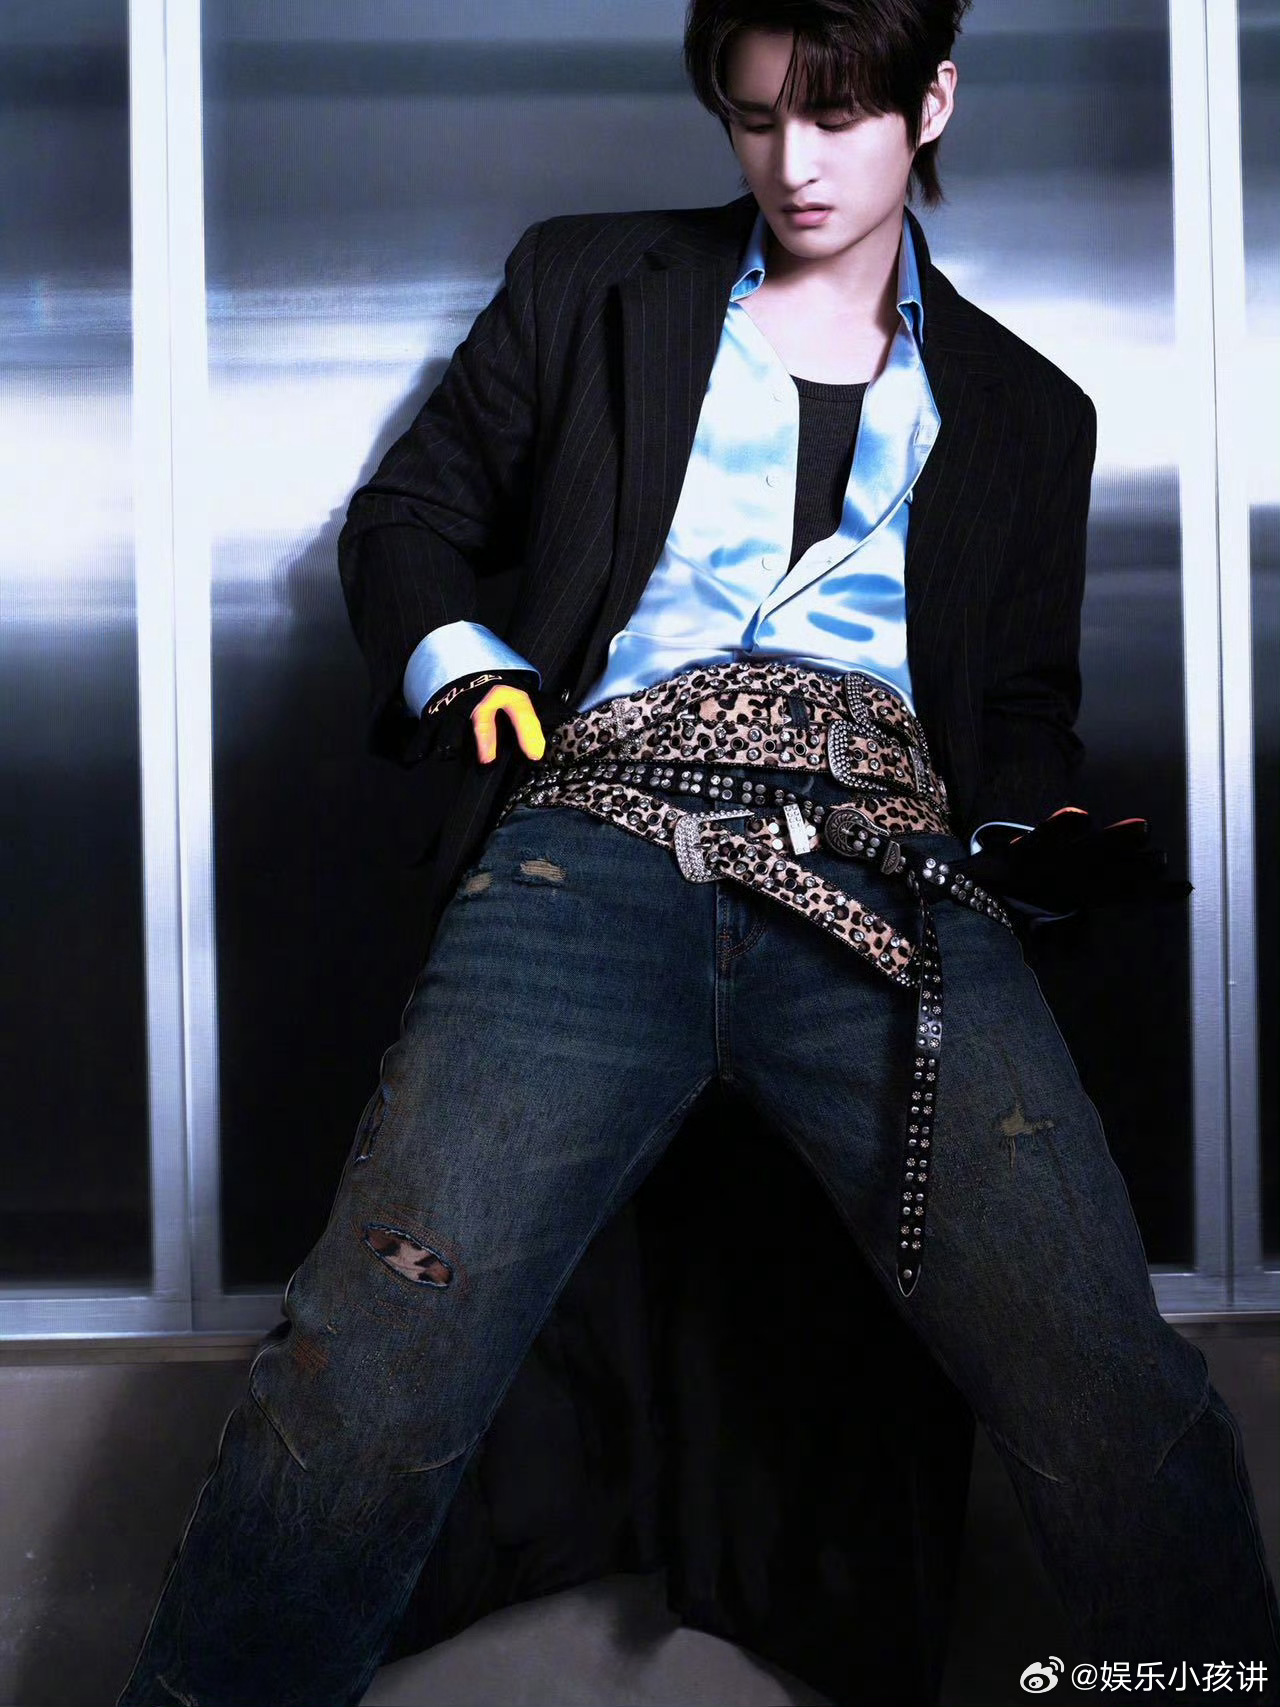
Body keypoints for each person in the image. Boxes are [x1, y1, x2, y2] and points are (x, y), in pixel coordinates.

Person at [117, 2, 1280, 1703]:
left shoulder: (1032, 410)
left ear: (933, 101)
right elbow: (410, 519)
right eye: (754, 120)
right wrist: (471, 670)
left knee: (1103, 1376)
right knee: (371, 1360)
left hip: (888, 876)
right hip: (591, 848)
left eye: (840, 117)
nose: (795, 165)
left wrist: (1036, 836)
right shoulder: (592, 285)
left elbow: (1021, 709)